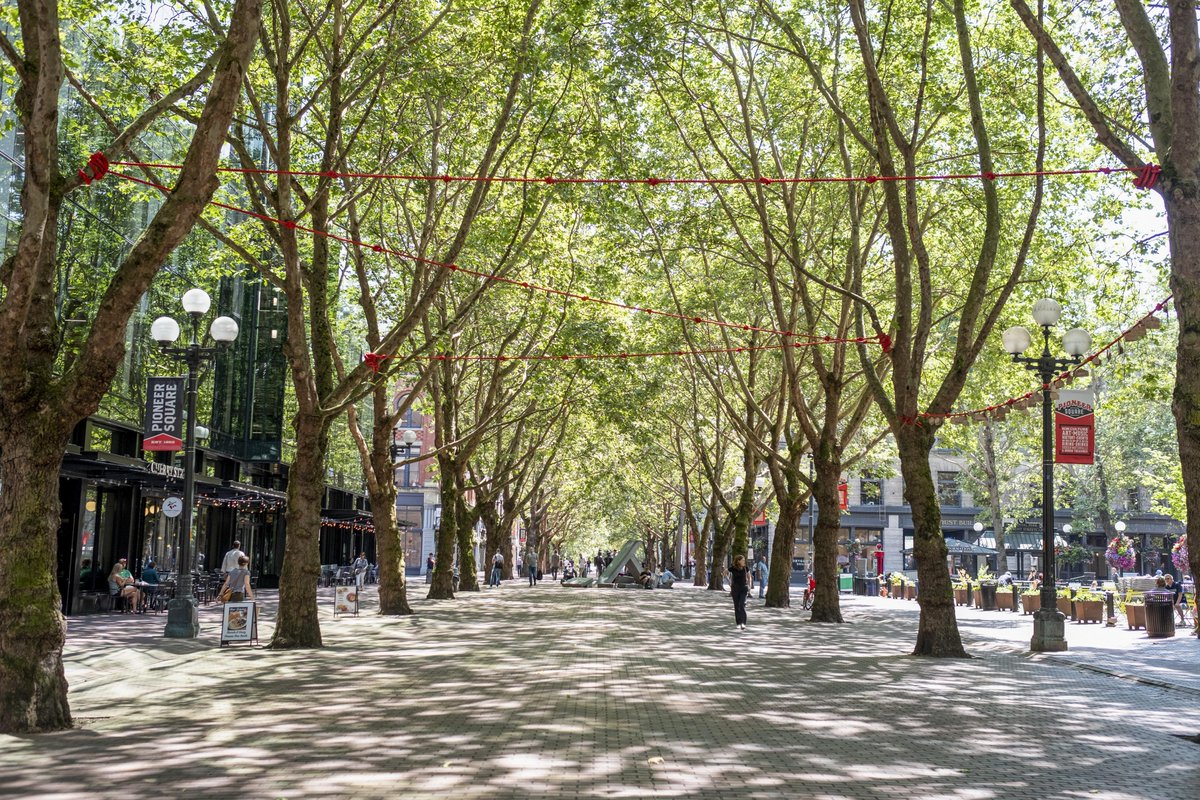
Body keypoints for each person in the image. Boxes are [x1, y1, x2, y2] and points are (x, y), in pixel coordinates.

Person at [730, 555, 751, 630]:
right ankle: (738, 623)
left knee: (742, 604)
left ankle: (743, 623)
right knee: (736, 606)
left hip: (744, 588)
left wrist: (749, 585)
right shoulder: (733, 568)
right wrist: (729, 583)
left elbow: (749, 577)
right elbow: (725, 572)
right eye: (742, 560)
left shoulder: (746, 568)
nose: (744, 561)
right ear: (738, 561)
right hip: (735, 589)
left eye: (744, 560)